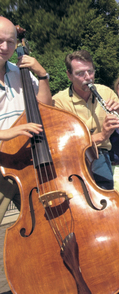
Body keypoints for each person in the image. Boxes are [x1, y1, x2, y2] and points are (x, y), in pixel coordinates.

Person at [53, 50, 119, 190]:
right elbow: (62, 142)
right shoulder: (59, 101)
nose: (88, 78)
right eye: (80, 73)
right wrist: (102, 135)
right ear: (69, 75)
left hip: (101, 156)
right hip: (73, 158)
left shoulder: (106, 92)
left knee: (105, 199)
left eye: (90, 72)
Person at [0, 16, 52, 224]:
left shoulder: (21, 72)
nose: (5, 47)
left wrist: (42, 75)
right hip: (1, 165)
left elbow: (46, 108)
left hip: (27, 161)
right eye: (0, 40)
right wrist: (7, 133)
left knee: (40, 224)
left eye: (10, 42)